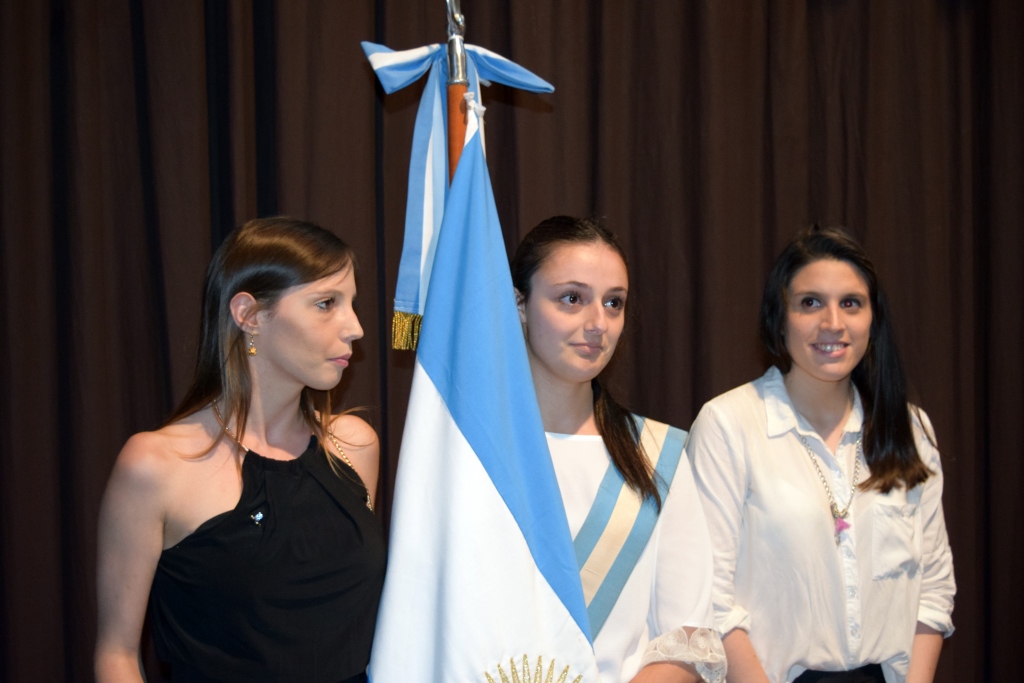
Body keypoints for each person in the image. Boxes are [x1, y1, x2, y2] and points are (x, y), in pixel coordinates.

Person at [94, 217, 385, 683]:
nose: (355, 328)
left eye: (351, 304)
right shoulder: (155, 465)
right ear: (249, 315)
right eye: (326, 304)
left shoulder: (352, 447)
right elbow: (117, 654)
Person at [687, 225, 955, 683]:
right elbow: (709, 597)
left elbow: (933, 587)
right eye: (810, 302)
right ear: (779, 317)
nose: (833, 323)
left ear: (873, 318)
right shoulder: (729, 424)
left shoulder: (910, 428)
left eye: (851, 303)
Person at [511, 216, 726, 683]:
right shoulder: (473, 454)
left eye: (614, 303)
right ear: (520, 305)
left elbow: (688, 640)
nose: (598, 324)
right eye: (572, 298)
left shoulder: (657, 453)